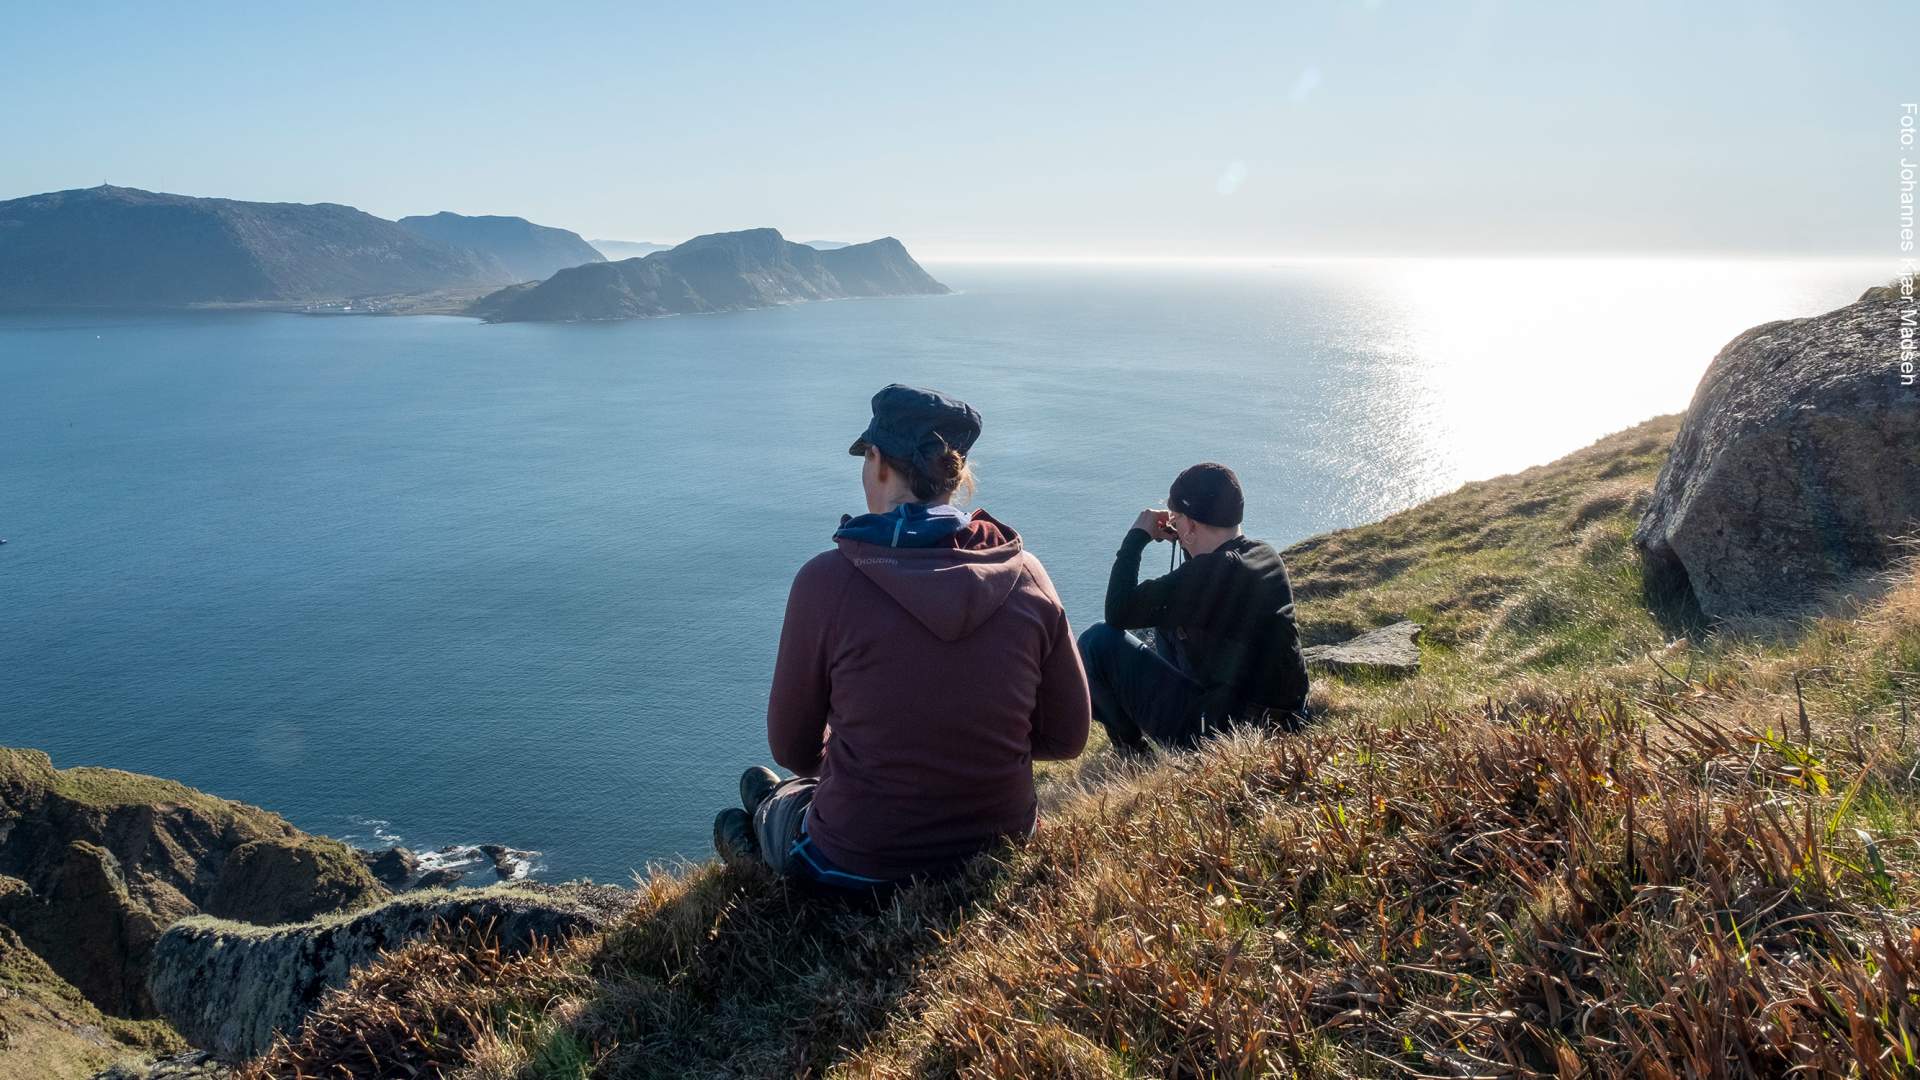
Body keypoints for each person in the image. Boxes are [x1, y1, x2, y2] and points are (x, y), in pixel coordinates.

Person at [713, 384, 1091, 900]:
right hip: (1000, 842)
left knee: (754, 809)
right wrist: (970, 751)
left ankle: (764, 826)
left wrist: (877, 760)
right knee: (774, 792)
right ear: (955, 475)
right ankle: (773, 805)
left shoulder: (827, 581)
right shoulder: (1026, 573)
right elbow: (1068, 738)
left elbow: (793, 749)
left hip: (856, 865)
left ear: (877, 462)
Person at [1077, 462, 1309, 754]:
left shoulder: (1210, 573)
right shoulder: (1265, 555)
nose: (1175, 525)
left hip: (1227, 734)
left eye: (1177, 519)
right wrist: (1187, 537)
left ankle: (1133, 752)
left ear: (1191, 525)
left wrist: (1137, 537)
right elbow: (1201, 597)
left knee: (1096, 642)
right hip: (1286, 718)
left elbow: (1118, 611)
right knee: (1168, 626)